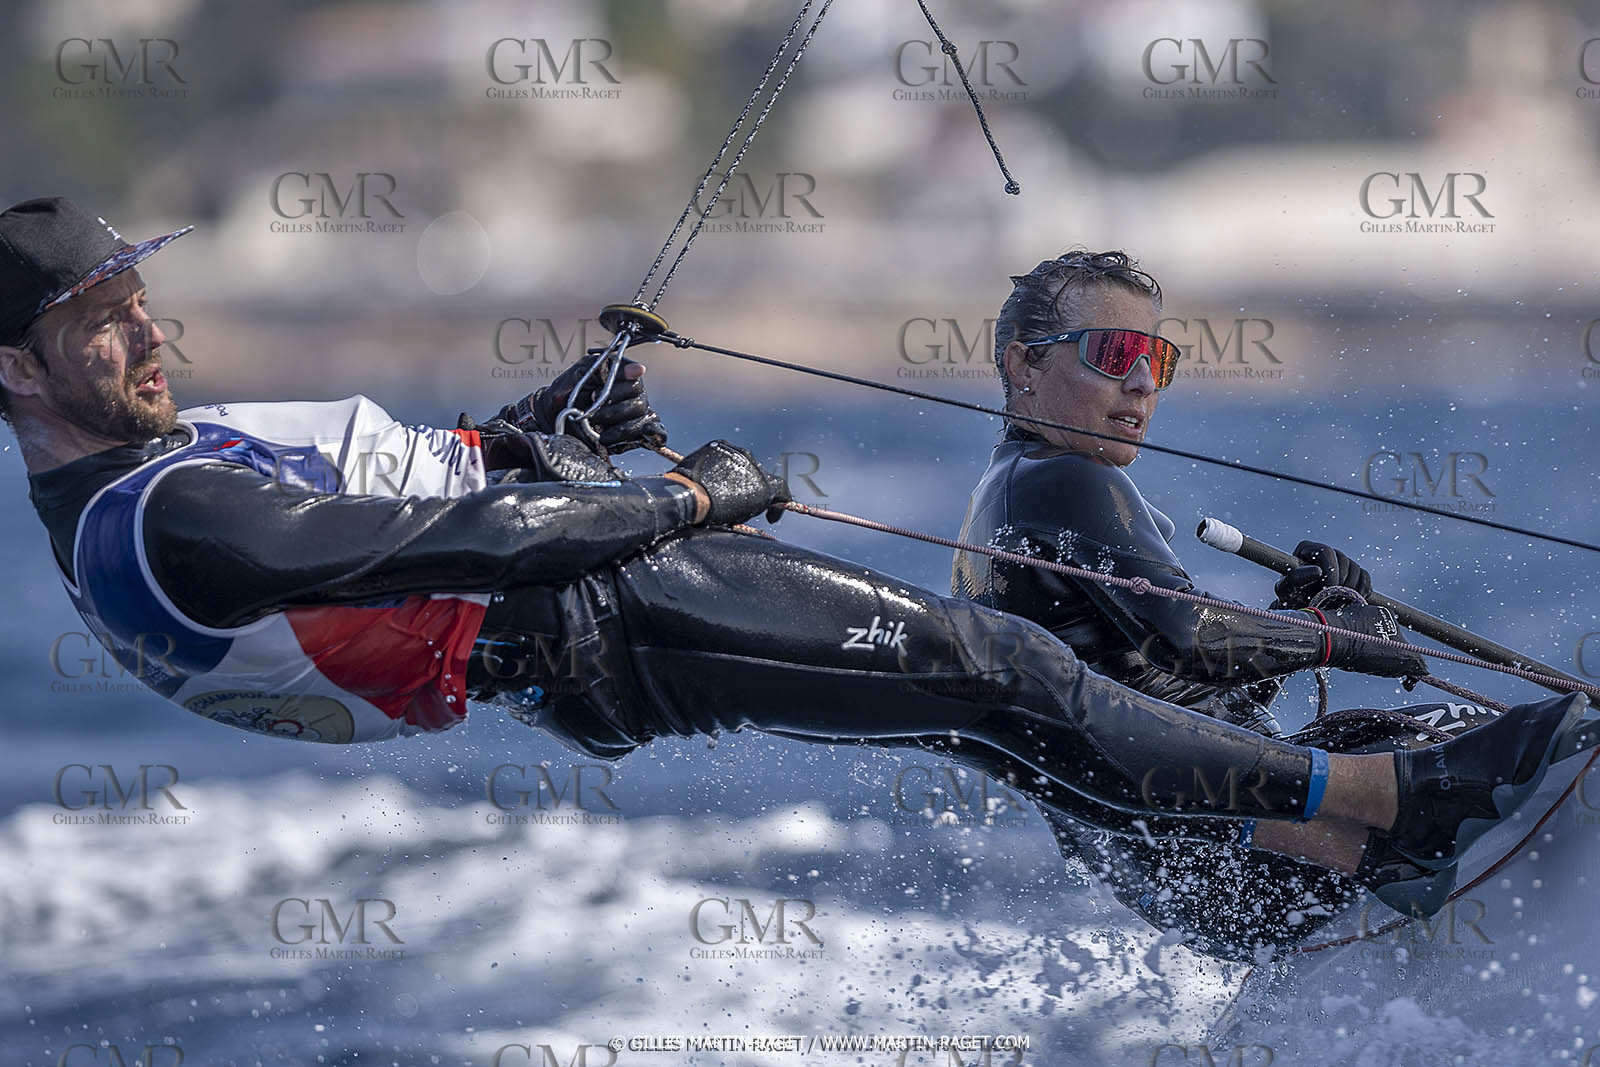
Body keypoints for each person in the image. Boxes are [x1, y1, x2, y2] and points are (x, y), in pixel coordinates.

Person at [1, 198, 1583, 925]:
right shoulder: (165, 521)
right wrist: (684, 500)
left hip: (586, 609)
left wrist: (536, 420)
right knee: (1005, 666)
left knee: (994, 704)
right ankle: (1385, 800)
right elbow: (450, 542)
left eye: (139, 299)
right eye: (101, 321)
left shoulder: (171, 457)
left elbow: (423, 482)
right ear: (16, 368)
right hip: (601, 613)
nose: (146, 331)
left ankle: (1335, 851)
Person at [951, 249, 1534, 959]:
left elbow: (1160, 694)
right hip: (1243, 844)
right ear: (1024, 365)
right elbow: (1187, 640)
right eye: (1113, 353)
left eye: (1155, 358)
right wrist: (1332, 633)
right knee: (1508, 734)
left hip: (1192, 883)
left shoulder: (1003, 493)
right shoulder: (1064, 477)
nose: (1142, 381)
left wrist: (1294, 619)